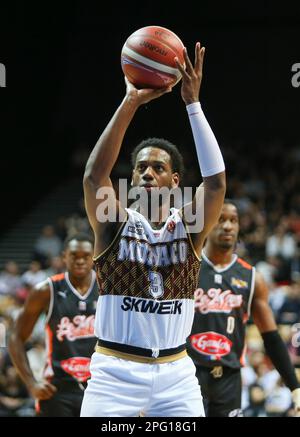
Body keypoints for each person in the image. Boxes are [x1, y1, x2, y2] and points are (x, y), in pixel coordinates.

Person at [80, 42, 226, 417]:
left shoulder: (189, 227)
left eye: (158, 168)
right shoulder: (116, 223)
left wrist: (192, 103)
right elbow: (95, 176)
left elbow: (215, 185)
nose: (146, 172)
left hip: (176, 375)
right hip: (114, 373)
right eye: (141, 167)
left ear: (175, 181)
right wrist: (130, 102)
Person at [186, 200, 300, 417]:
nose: (228, 226)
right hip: (188, 375)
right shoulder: (188, 269)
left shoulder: (251, 278)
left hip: (229, 379)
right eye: (221, 219)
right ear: (207, 223)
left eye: (233, 220)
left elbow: (271, 336)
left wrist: (294, 386)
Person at [8, 233, 98, 417]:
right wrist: (31, 383)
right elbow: (15, 336)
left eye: (85, 256)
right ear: (64, 256)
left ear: (94, 256)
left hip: (99, 386)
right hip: (58, 389)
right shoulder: (45, 290)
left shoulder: (107, 288)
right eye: (74, 255)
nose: (80, 261)